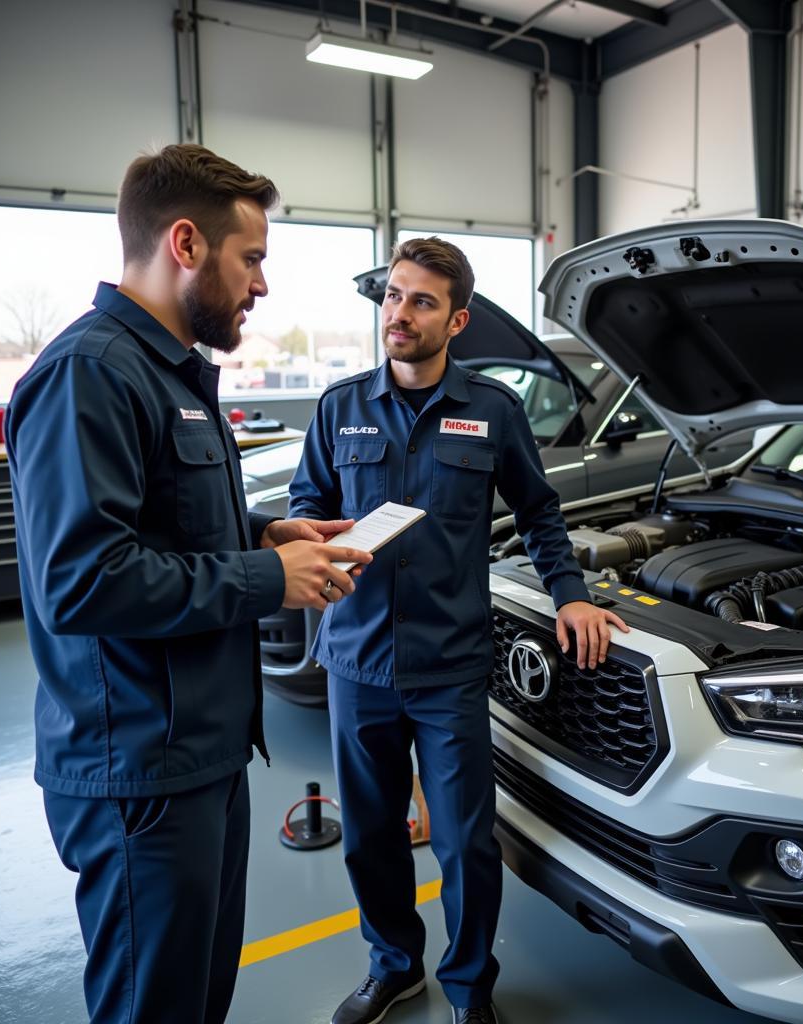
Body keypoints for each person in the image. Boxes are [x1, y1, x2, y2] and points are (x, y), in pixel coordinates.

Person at [5, 143, 373, 1024]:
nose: (262, 285)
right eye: (253, 259)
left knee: (198, 999)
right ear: (185, 243)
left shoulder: (171, 374)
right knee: (153, 1008)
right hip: (138, 767)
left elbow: (159, 527)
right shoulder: (89, 374)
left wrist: (266, 535)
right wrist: (265, 576)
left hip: (201, 754)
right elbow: (81, 580)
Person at [288, 237, 629, 1024]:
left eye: (421, 302)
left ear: (458, 320)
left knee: (468, 846)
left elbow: (541, 515)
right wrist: (313, 547)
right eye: (393, 297)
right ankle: (394, 966)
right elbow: (306, 508)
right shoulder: (341, 408)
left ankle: (471, 989)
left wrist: (571, 594)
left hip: (450, 667)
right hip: (357, 660)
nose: (398, 314)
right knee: (368, 837)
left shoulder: (492, 412)